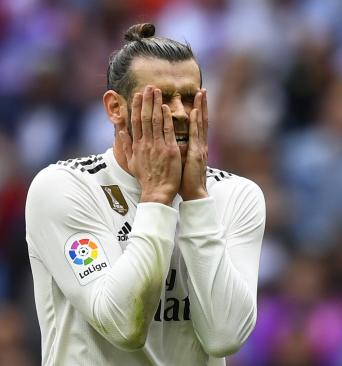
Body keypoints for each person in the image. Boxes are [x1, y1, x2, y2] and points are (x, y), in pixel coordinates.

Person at [24, 23, 266, 365]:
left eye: (189, 97)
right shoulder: (64, 187)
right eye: (162, 98)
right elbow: (122, 326)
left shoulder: (236, 195)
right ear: (114, 108)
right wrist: (156, 197)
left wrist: (196, 199)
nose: (180, 112)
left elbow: (224, 336)